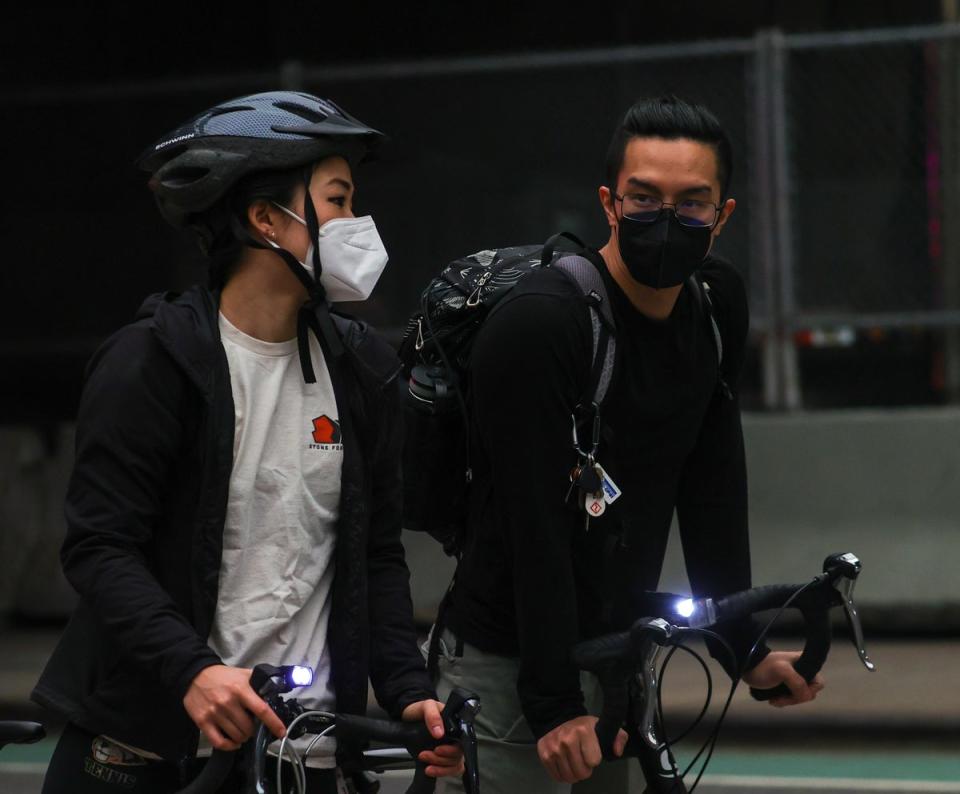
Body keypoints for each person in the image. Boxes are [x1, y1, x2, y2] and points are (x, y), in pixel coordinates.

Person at [32, 91, 461, 793]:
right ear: (266, 219)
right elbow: (100, 548)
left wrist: (409, 689)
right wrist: (193, 670)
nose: (356, 224)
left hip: (306, 752)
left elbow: (375, 557)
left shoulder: (363, 371)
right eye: (338, 199)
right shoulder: (151, 363)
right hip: (146, 750)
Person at [432, 95, 824, 793]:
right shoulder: (542, 326)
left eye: (692, 204)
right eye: (644, 198)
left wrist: (741, 643)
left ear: (724, 215)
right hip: (507, 660)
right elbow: (535, 528)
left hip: (620, 655)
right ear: (609, 204)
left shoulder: (714, 303)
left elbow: (712, 479)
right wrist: (551, 702)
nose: (666, 220)